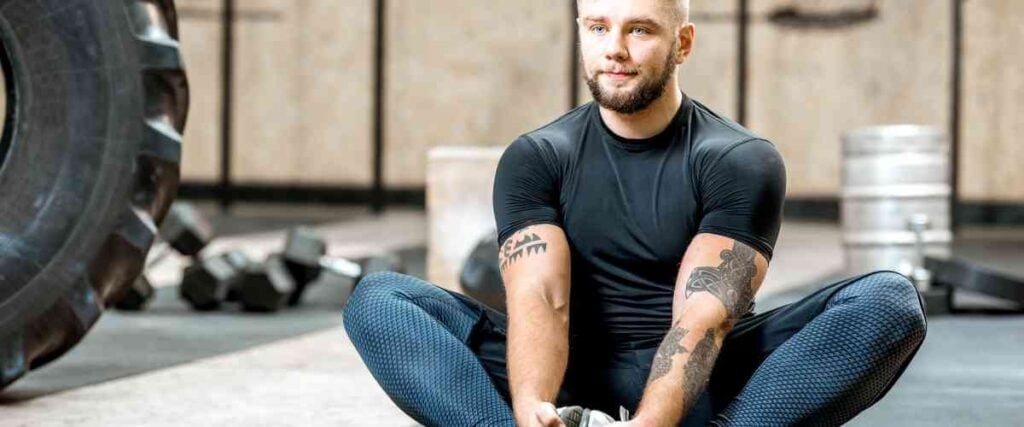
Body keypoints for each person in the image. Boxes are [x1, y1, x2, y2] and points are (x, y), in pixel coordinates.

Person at [343, 0, 927, 425]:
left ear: (684, 43)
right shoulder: (538, 156)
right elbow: (541, 300)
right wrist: (532, 410)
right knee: (380, 300)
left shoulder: (738, 159)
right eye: (598, 28)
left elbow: (704, 318)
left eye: (639, 29)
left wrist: (651, 425)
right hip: (572, 365)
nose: (614, 49)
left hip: (700, 376)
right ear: (581, 33)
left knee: (890, 302)